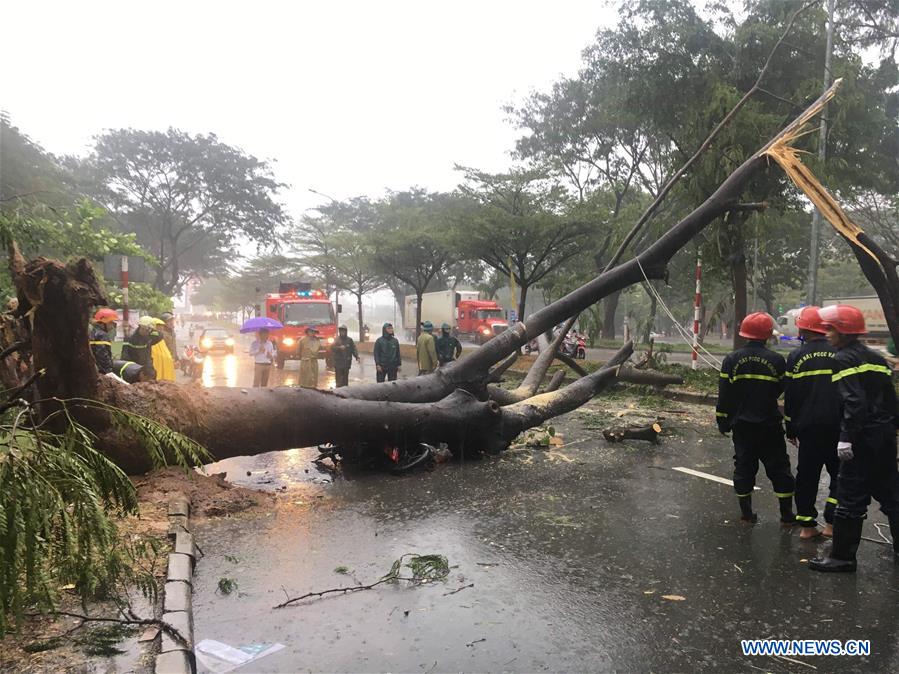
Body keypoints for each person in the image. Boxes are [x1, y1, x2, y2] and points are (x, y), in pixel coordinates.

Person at [809, 305, 899, 573]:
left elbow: (854, 402)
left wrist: (847, 437)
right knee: (892, 495)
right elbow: (892, 400)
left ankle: (842, 557)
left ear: (844, 331)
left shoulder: (843, 359)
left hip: (861, 437)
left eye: (830, 328)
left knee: (849, 497)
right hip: (883, 436)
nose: (826, 333)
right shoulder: (876, 358)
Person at [716, 312, 795, 524]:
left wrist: (722, 420)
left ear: (744, 334)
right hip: (770, 425)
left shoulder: (731, 359)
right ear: (768, 335)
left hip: (742, 426)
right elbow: (784, 389)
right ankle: (787, 515)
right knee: (779, 468)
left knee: (744, 467)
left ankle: (746, 514)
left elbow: (725, 394)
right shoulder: (777, 360)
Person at [783, 306, 841, 540]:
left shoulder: (796, 357)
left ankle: (807, 527)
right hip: (838, 427)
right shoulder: (840, 352)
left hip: (808, 428)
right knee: (839, 475)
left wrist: (791, 428)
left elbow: (791, 397)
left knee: (807, 476)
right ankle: (832, 524)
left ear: (803, 328)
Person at [122, 315, 163, 380]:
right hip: (134, 367)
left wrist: (154, 330)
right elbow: (125, 354)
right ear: (140, 326)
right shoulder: (130, 337)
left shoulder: (150, 336)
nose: (146, 331)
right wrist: (129, 367)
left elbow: (160, 335)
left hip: (147, 366)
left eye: (149, 330)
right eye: (144, 329)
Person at [89, 308, 118, 375]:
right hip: (101, 372)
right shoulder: (102, 335)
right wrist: (109, 372)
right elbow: (103, 356)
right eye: (111, 323)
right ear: (104, 323)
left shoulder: (92, 332)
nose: (112, 326)